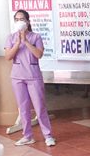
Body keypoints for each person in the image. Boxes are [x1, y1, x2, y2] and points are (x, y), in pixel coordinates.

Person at [4, 9, 56, 147]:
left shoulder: (36, 37)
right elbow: (8, 56)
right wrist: (17, 42)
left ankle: (48, 135)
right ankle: (27, 136)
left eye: (22, 19)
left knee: (39, 107)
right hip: (17, 77)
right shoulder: (10, 37)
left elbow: (39, 54)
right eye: (17, 19)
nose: (19, 22)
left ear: (27, 21)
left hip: (33, 76)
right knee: (23, 108)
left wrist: (26, 41)